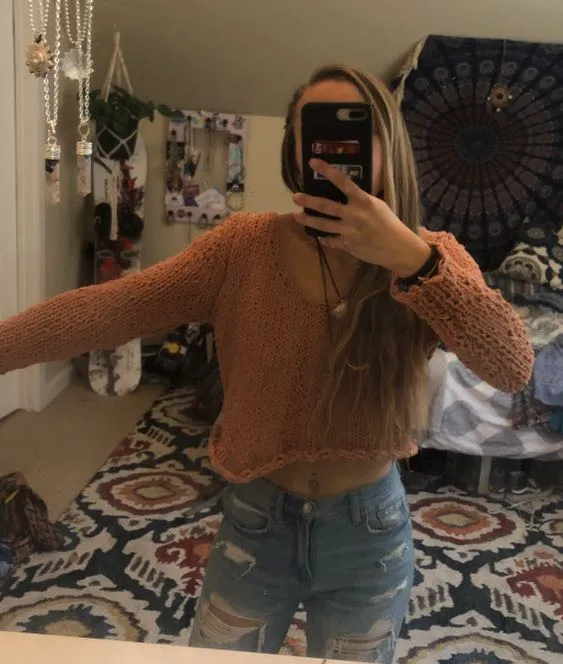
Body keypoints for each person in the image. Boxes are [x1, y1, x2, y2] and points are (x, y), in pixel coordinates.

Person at [0, 65, 533, 662]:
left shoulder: (432, 258)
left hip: (369, 536)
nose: (335, 152)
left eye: (356, 132)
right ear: (295, 151)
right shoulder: (242, 248)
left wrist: (413, 260)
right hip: (256, 527)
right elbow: (117, 307)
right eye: (317, 132)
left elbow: (512, 365)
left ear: (389, 147)